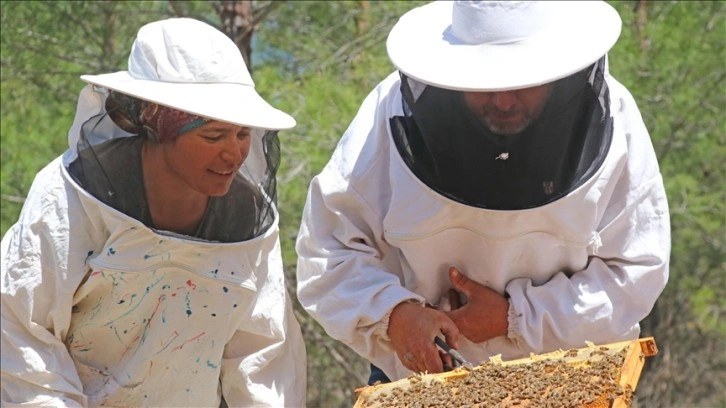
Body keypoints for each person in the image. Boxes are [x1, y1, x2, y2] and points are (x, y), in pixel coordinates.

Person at [295, 0, 670, 385]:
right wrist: (393, 314)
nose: (504, 100)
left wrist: (519, 316)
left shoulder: (615, 116)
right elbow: (328, 252)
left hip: (569, 376)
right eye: (484, 84)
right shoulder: (389, 114)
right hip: (425, 379)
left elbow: (637, 271)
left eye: (523, 81)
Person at [1, 18, 306, 407]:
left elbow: (262, 354)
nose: (234, 153)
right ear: (156, 124)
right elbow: (21, 332)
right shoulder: (70, 199)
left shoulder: (247, 219)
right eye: (213, 136)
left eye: (243, 134)